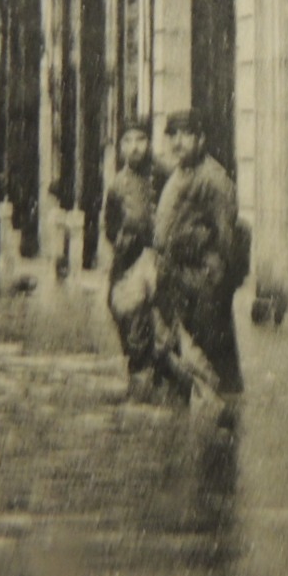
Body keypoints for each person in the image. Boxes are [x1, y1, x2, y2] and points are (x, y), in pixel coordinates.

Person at [154, 109, 245, 407]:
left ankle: (223, 428)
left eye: (187, 134)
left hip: (202, 283)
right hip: (177, 280)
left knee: (214, 363)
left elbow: (226, 241)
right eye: (173, 135)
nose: (178, 142)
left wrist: (213, 286)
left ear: (201, 138)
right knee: (188, 362)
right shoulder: (180, 172)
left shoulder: (214, 179)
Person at [103, 116, 180, 401]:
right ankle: (140, 375)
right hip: (129, 262)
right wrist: (122, 239)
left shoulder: (164, 174)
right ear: (120, 148)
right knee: (124, 311)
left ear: (149, 143)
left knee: (166, 321)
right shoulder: (117, 185)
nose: (134, 147)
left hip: (163, 259)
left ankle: (162, 373)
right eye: (128, 142)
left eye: (140, 140)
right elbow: (110, 226)